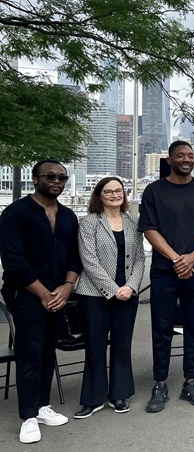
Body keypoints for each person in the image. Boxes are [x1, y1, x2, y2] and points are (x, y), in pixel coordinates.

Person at [138, 140, 194, 413]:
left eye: (190, 156)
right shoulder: (154, 191)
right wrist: (176, 258)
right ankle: (160, 383)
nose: (186, 160)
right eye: (181, 156)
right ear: (170, 159)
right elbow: (149, 229)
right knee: (161, 328)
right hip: (165, 272)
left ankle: (190, 381)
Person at [0, 160, 81, 444]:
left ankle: (43, 406)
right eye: (50, 176)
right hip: (26, 296)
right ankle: (27, 416)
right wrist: (45, 294)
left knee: (48, 350)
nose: (57, 181)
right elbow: (13, 262)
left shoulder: (69, 216)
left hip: (58, 295)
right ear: (35, 179)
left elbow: (75, 256)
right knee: (29, 353)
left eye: (62, 177)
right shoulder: (15, 214)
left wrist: (67, 287)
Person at [72, 177, 145, 418]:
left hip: (127, 294)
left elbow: (140, 259)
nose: (115, 195)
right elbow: (88, 260)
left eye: (118, 190)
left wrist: (131, 286)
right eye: (108, 191)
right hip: (94, 294)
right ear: (99, 196)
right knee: (95, 346)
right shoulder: (89, 223)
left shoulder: (132, 222)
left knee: (122, 346)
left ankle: (119, 394)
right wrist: (113, 289)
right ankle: (93, 399)